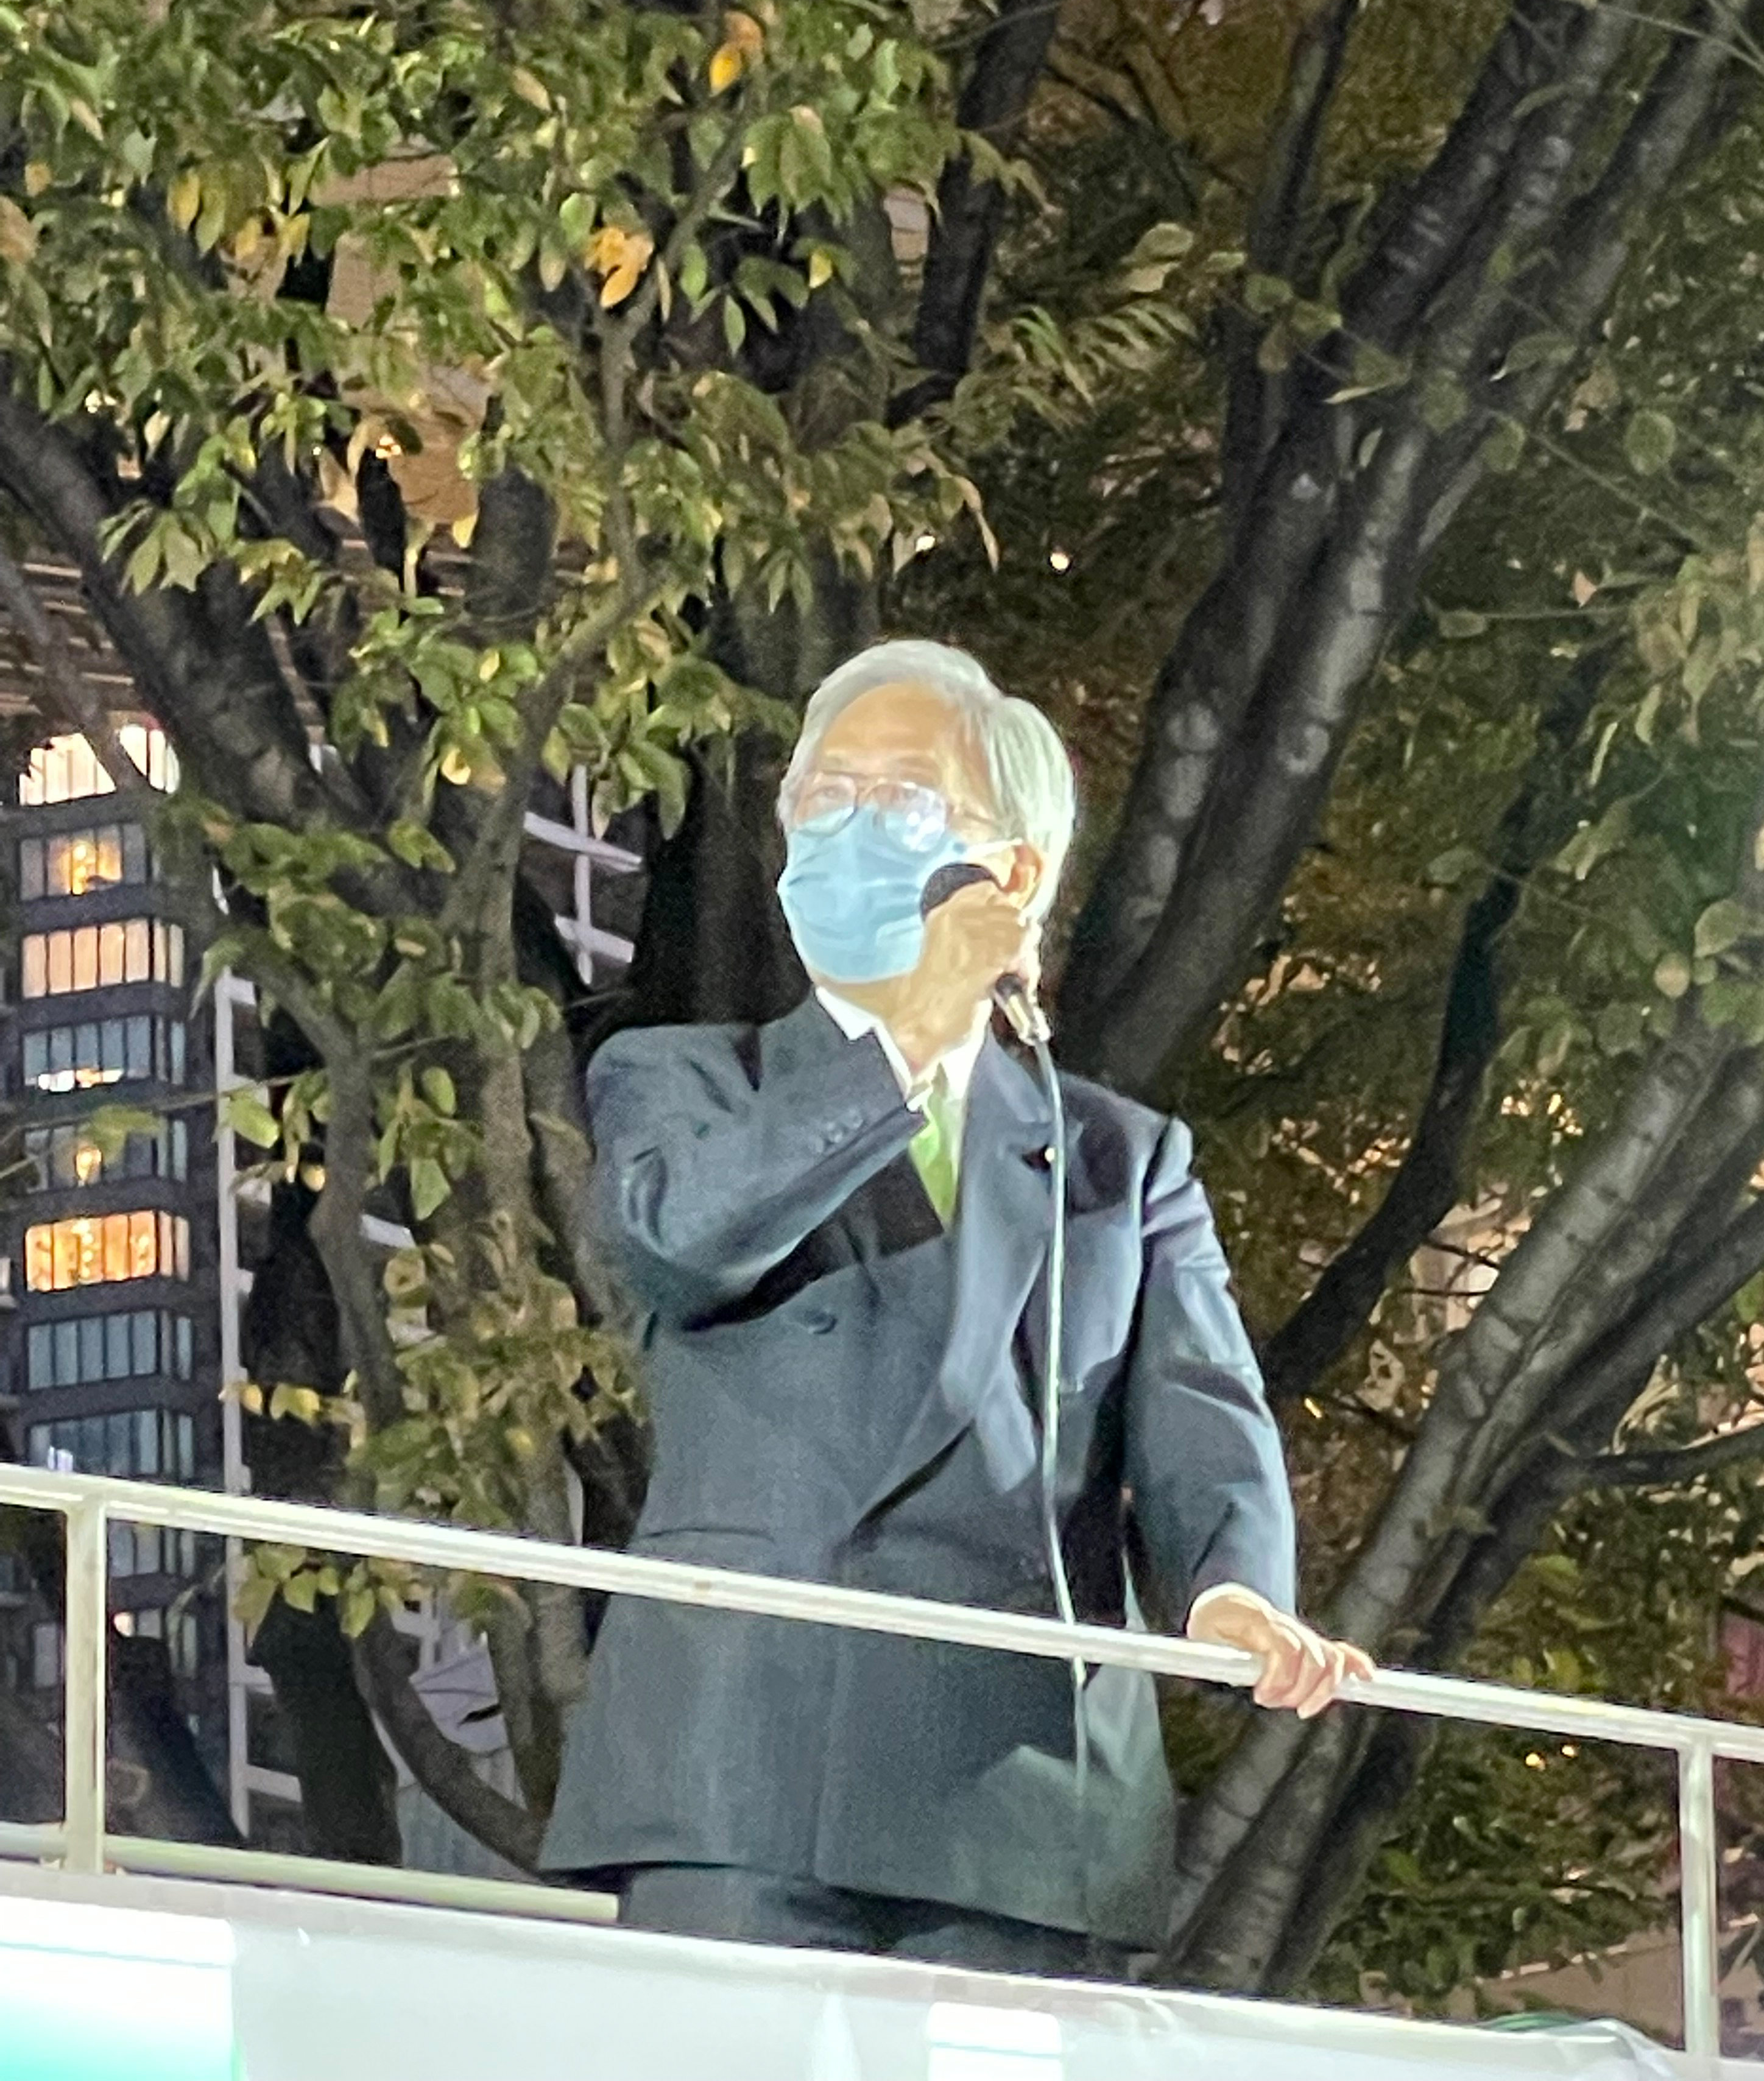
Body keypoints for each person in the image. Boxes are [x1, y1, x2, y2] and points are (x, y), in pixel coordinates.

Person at [540, 639, 1372, 1973]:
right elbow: (680, 1244)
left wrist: (1233, 1596)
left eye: (905, 799)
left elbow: (1202, 1414)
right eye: (824, 797)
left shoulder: (1118, 1160)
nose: (849, 828)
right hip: (743, 1762)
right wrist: (910, 1039)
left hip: (1022, 1786)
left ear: (1012, 872)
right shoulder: (687, 1077)